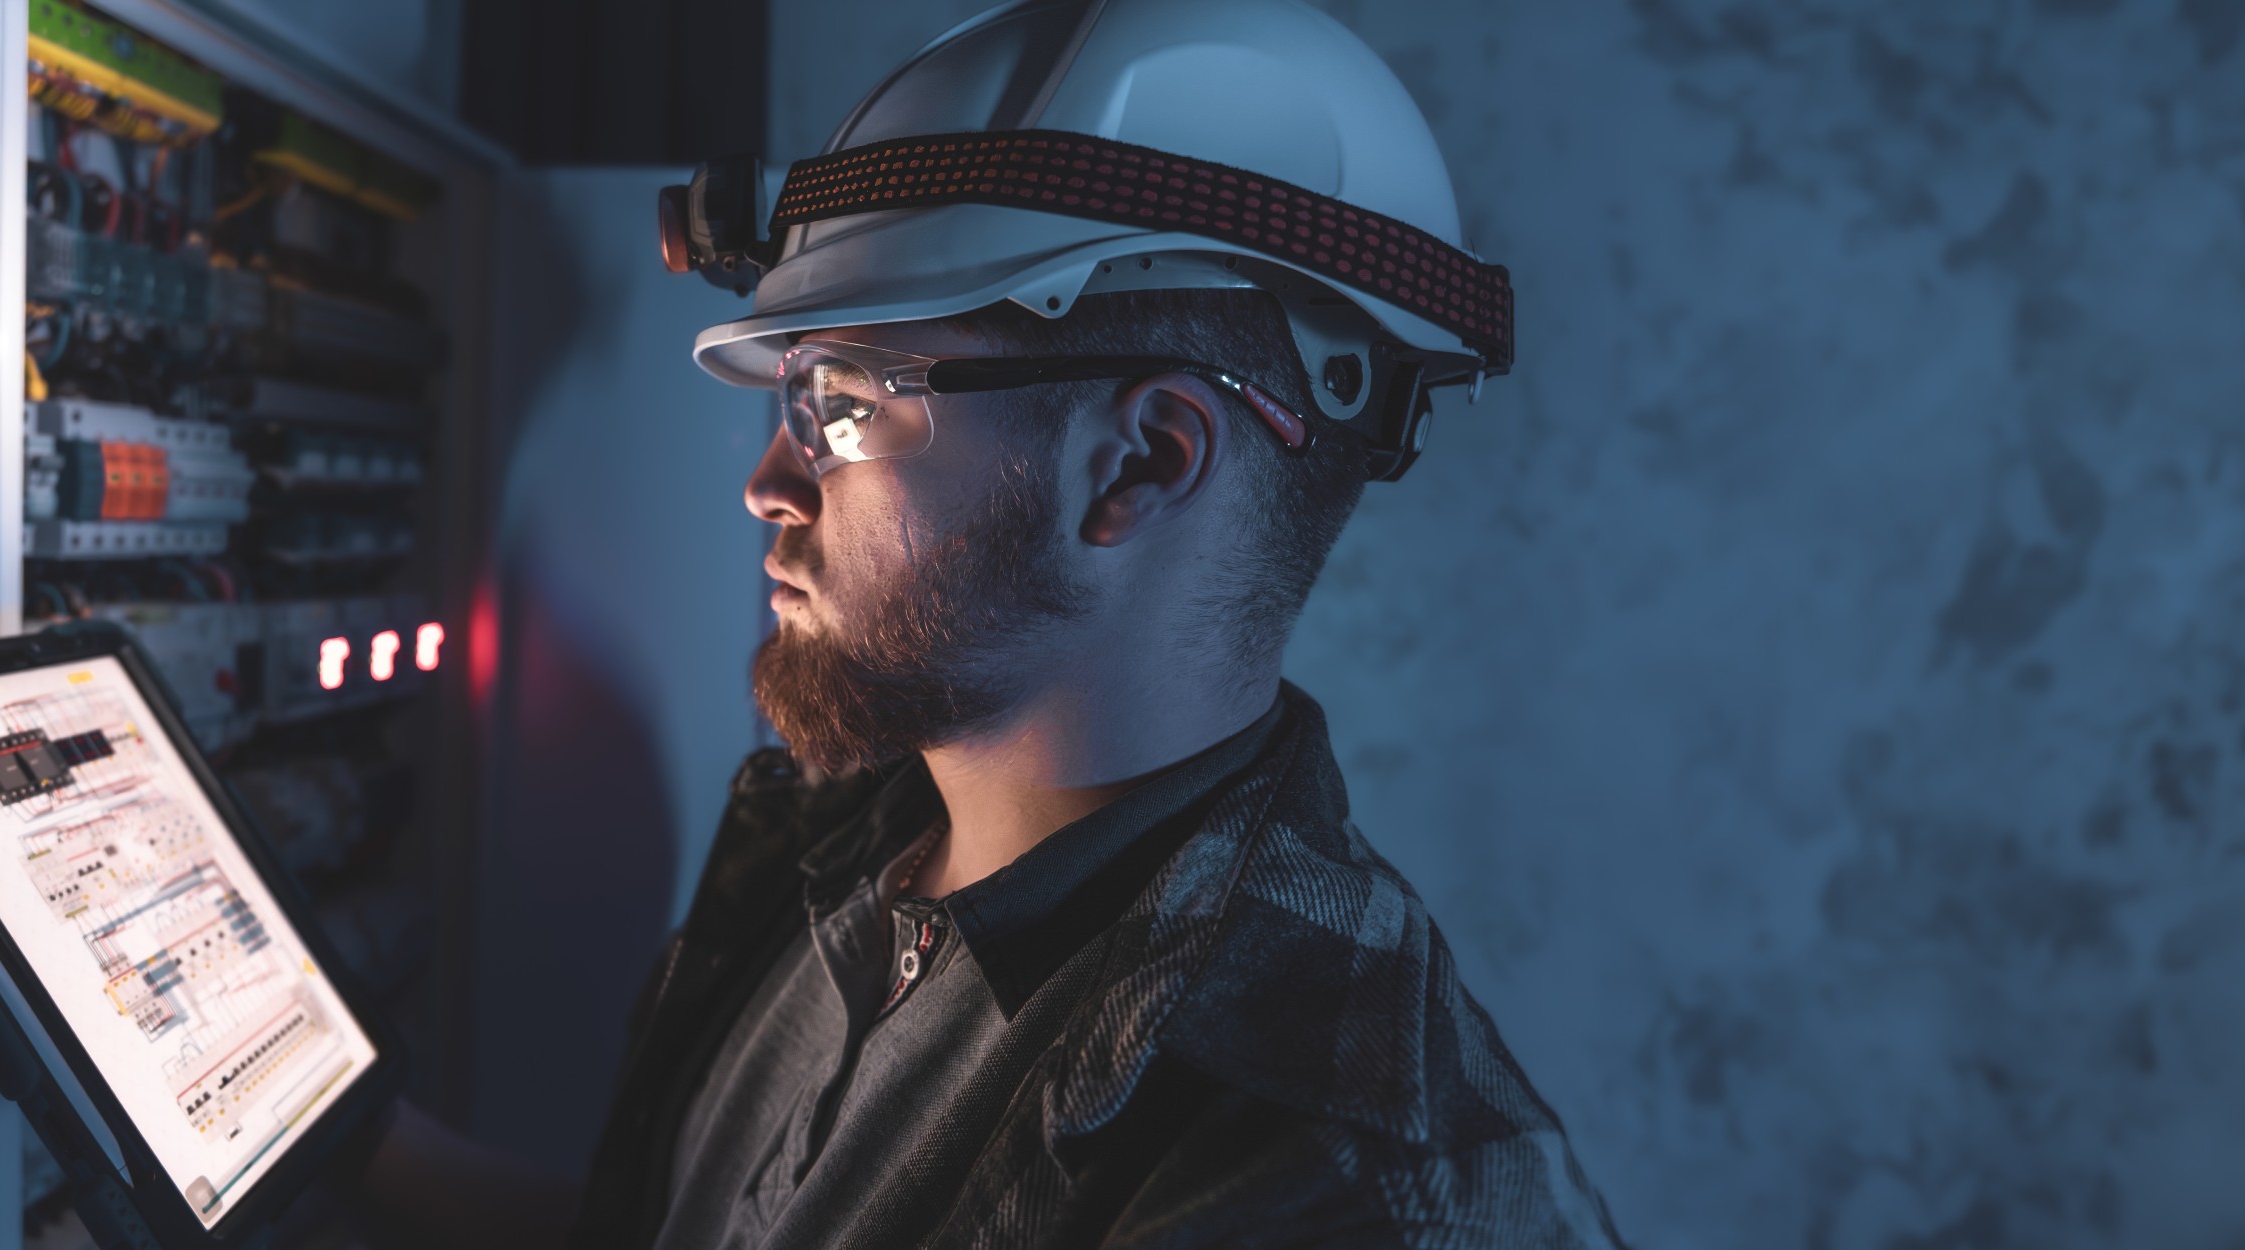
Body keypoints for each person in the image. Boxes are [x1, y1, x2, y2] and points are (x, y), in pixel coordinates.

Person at [358, 1, 1626, 1246]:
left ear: (1138, 464)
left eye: (842, 401)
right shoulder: (839, 835)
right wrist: (354, 1143)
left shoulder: (1344, 1183)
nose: (770, 486)